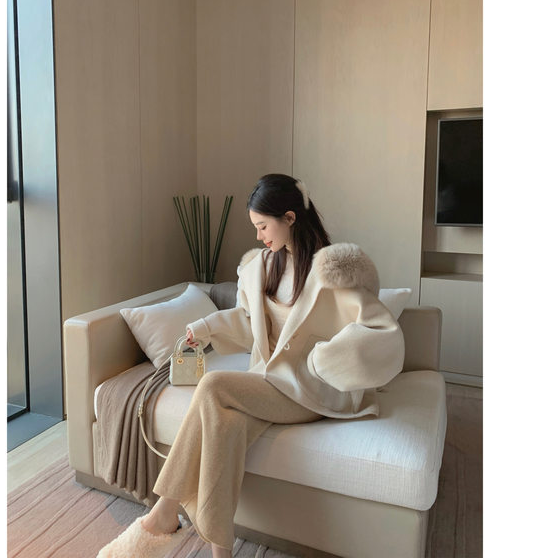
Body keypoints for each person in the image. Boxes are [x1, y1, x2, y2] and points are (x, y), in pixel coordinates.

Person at [97, 173, 405, 558]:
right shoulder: (261, 266)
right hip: (268, 383)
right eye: (255, 227)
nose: (258, 236)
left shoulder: (331, 271)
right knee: (225, 426)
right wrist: (204, 327)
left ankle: (163, 514)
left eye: (263, 226)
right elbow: (248, 322)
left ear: (290, 218)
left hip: (309, 391)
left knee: (213, 386)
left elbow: (381, 332)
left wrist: (329, 358)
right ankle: (219, 553)